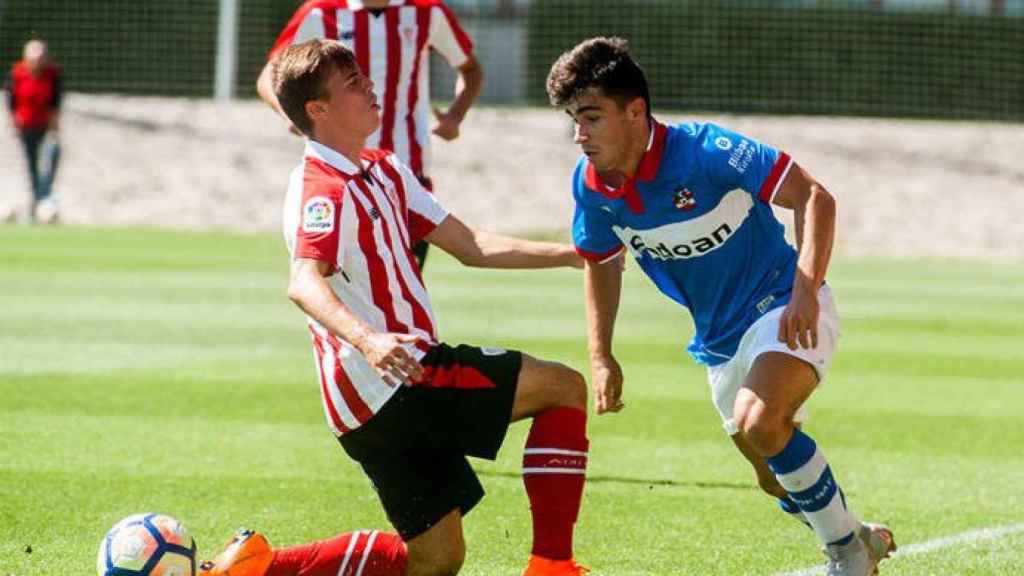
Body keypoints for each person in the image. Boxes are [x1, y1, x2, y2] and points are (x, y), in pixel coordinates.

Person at [202, 39, 589, 576]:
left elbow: (469, 244)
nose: (370, 86)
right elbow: (303, 283)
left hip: (369, 401)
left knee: (437, 560)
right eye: (353, 83)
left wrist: (574, 255)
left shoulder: (383, 168)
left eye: (363, 75)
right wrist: (372, 340)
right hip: (395, 380)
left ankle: (256, 567)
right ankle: (552, 566)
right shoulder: (322, 189)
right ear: (318, 110)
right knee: (564, 388)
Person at [545, 37, 897, 576]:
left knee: (761, 422)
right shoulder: (592, 186)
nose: (579, 134)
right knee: (770, 475)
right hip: (717, 339)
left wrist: (805, 289)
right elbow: (599, 260)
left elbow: (814, 197)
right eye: (574, 119)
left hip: (783, 305)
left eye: (591, 117)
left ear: (635, 111)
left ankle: (848, 559)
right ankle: (855, 534)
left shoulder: (706, 152)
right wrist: (601, 354)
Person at [256, 0, 483, 271]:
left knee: (401, 288)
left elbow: (470, 69)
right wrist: (291, 115)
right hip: (341, 176)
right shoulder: (321, 11)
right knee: (339, 283)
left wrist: (455, 117)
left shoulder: (427, 11)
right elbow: (270, 75)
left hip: (406, 173)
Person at [5, 38, 62, 224]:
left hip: (45, 126)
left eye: (41, 58)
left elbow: (55, 102)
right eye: (34, 58)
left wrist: (54, 128)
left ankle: (43, 200)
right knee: (31, 165)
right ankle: (35, 204)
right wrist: (14, 123)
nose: (37, 62)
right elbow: (11, 102)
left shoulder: (52, 74)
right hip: (26, 127)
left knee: (50, 161)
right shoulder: (17, 73)